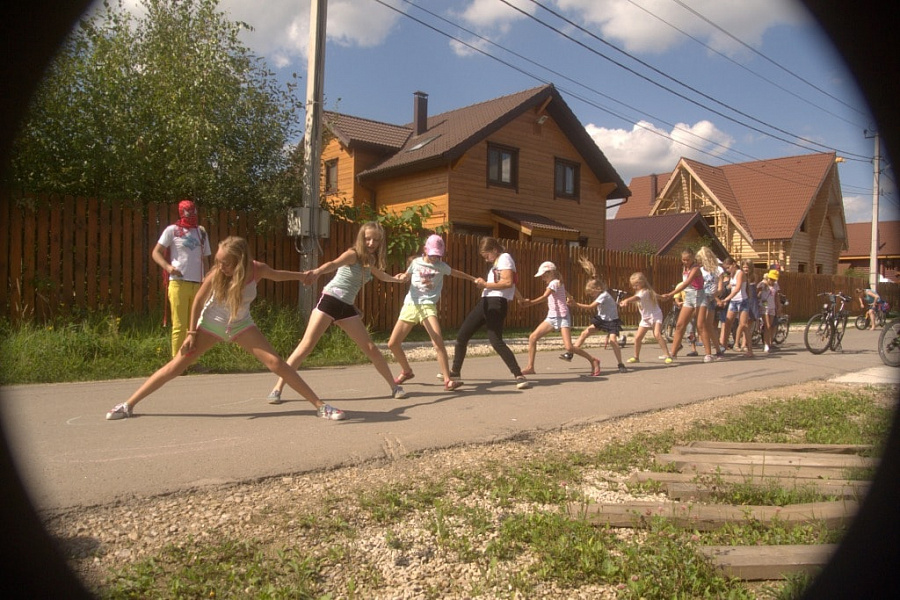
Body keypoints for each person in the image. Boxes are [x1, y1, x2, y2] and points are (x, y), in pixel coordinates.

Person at [106, 236, 345, 421]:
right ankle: (128, 405)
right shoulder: (216, 273)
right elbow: (198, 301)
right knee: (175, 367)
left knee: (276, 364)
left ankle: (320, 406)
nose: (220, 266)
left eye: (225, 262)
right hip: (211, 325)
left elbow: (278, 275)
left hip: (242, 325)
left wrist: (303, 276)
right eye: (218, 261)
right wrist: (191, 333)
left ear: (240, 261)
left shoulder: (255, 269)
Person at [265, 221, 408, 404]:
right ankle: (277, 389)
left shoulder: (370, 261)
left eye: (376, 240)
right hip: (330, 300)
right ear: (361, 239)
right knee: (306, 345)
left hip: (346, 307)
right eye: (368, 239)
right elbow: (333, 264)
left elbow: (382, 276)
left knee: (371, 349)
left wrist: (397, 279)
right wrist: (316, 272)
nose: (371, 243)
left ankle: (394, 387)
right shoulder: (352, 254)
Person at [387, 234, 476, 392]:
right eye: (432, 254)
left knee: (438, 341)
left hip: (428, 306)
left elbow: (456, 273)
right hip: (411, 305)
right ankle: (406, 371)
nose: (435, 258)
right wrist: (402, 277)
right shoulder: (415, 263)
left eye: (438, 255)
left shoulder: (441, 266)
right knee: (392, 344)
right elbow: (407, 276)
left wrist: (472, 278)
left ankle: (448, 380)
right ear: (425, 250)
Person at [449, 237, 531, 390]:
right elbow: (510, 283)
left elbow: (507, 282)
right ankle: (454, 373)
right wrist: (519, 298)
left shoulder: (504, 258)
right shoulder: (498, 262)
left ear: (494, 250)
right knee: (462, 336)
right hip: (486, 302)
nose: (486, 260)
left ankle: (518, 374)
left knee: (495, 340)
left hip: (496, 303)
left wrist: (484, 284)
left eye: (487, 256)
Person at [517, 260, 601, 377]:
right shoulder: (558, 283)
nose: (542, 278)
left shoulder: (554, 283)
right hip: (552, 317)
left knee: (569, 347)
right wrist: (570, 298)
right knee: (533, 338)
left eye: (543, 275)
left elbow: (544, 297)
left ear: (550, 273)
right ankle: (530, 367)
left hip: (562, 317)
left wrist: (529, 303)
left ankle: (593, 360)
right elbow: (565, 292)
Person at [152, 199, 211, 358]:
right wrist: (168, 267)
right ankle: (176, 362)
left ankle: (192, 361)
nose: (191, 214)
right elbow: (156, 252)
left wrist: (207, 276)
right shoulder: (172, 230)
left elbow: (205, 259)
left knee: (195, 326)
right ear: (181, 212)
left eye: (193, 210)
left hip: (198, 285)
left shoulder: (201, 232)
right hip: (178, 283)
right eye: (187, 211)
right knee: (179, 325)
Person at [564, 256, 628, 373]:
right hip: (602, 319)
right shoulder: (600, 294)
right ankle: (570, 353)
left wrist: (575, 304)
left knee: (613, 341)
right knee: (584, 333)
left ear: (597, 289)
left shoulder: (603, 295)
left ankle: (620, 364)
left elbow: (590, 307)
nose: (591, 295)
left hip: (612, 321)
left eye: (591, 293)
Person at [659, 248, 704, 360]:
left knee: (702, 325)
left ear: (693, 258)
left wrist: (671, 294)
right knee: (680, 324)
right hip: (689, 297)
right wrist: (677, 297)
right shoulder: (684, 268)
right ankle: (673, 352)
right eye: (683, 260)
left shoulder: (695, 268)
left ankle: (711, 352)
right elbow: (685, 286)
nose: (685, 262)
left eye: (687, 259)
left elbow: (686, 283)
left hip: (699, 297)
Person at [618, 272, 672, 364]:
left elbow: (636, 298)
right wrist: (662, 297)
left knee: (657, 334)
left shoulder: (646, 291)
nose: (634, 287)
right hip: (645, 318)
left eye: (636, 285)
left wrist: (626, 300)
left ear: (642, 282)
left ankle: (667, 355)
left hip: (655, 315)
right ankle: (636, 357)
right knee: (638, 338)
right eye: (633, 285)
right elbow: (655, 296)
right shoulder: (643, 292)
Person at [717, 257, 753, 358]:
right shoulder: (731, 274)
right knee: (727, 323)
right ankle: (723, 346)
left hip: (742, 301)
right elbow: (729, 287)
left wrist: (726, 299)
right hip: (733, 301)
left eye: (728, 267)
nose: (727, 270)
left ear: (733, 264)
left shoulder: (740, 273)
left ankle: (750, 349)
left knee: (744, 325)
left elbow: (737, 289)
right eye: (726, 268)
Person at [696, 246, 724, 363]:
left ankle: (715, 350)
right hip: (701, 298)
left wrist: (714, 295)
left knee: (708, 325)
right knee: (703, 325)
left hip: (710, 299)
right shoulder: (700, 270)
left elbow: (721, 288)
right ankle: (713, 351)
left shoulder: (718, 270)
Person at [757, 269, 781, 352]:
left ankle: (769, 342)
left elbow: (776, 295)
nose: (772, 281)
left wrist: (778, 306)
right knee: (767, 325)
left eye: (774, 279)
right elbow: (758, 294)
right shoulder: (763, 284)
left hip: (772, 306)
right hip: (765, 305)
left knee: (770, 326)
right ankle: (766, 344)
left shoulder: (775, 285)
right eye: (771, 279)